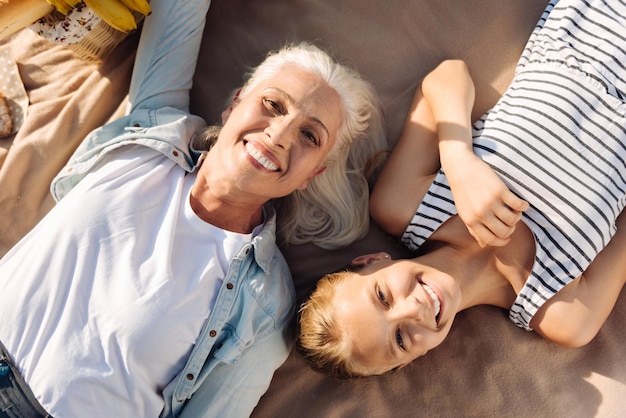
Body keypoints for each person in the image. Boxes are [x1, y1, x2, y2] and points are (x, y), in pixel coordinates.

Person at [0, 0, 385, 416]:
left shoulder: (263, 304)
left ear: (312, 173)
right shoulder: (153, 128)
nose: (279, 135)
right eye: (273, 105)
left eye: (310, 135)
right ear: (235, 104)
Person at [297, 0, 626, 379]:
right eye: (401, 340)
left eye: (383, 297)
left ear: (370, 262)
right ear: (410, 361)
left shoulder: (403, 205)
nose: (413, 311)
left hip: (591, 28)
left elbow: (446, 77)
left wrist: (459, 162)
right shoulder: (564, 314)